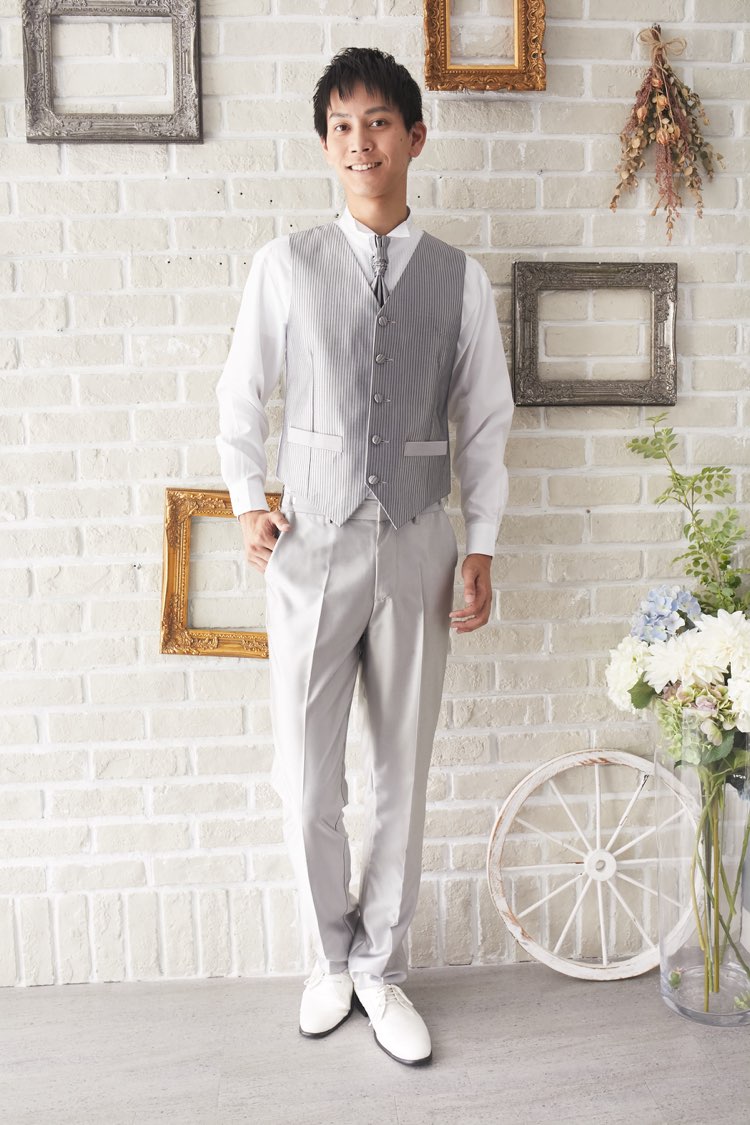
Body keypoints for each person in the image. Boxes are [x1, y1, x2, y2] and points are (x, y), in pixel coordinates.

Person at [215, 47, 514, 1066]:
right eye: (341, 126)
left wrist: (481, 545)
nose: (360, 142)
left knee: (400, 774)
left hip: (420, 542)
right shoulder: (285, 264)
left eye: (378, 122)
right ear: (325, 144)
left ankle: (381, 966)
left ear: (414, 137)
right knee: (306, 777)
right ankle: (329, 959)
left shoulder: (458, 277)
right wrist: (246, 502)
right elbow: (240, 394)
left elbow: (485, 421)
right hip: (311, 546)